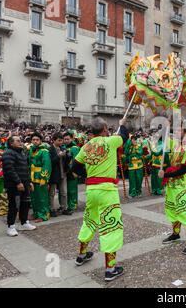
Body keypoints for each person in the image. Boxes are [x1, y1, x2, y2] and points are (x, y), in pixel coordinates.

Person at [72, 117, 128, 282]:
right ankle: (110, 269)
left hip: (92, 190)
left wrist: (89, 175)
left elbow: (74, 167)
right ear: (104, 129)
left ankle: (82, 254)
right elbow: (124, 136)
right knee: (111, 226)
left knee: (89, 220)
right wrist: (122, 125)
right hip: (107, 190)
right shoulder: (110, 141)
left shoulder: (86, 146)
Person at [158, 127, 186, 255]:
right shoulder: (176, 146)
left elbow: (183, 170)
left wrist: (165, 175)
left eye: (178, 131)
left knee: (182, 210)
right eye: (175, 131)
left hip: (180, 182)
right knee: (171, 209)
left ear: (185, 133)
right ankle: (176, 234)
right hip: (171, 183)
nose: (175, 133)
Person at [2, 135, 36, 237]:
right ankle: (11, 226)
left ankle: (24, 222)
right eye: (17, 141)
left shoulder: (21, 152)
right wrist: (18, 182)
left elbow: (25, 169)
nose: (20, 142)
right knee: (14, 205)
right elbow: (10, 170)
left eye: (20, 140)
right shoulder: (8, 153)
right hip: (14, 185)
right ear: (11, 143)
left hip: (24, 183)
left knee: (25, 203)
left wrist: (29, 182)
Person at [28, 133, 51, 222]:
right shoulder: (31, 150)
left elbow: (47, 165)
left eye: (37, 140)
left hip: (40, 176)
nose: (35, 141)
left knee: (42, 197)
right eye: (33, 140)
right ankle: (36, 213)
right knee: (34, 197)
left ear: (40, 141)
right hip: (32, 176)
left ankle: (43, 215)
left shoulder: (44, 151)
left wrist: (44, 178)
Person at [49, 133, 70, 216]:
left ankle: (64, 208)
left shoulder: (62, 148)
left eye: (62, 140)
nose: (61, 142)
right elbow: (50, 162)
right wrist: (58, 156)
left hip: (63, 173)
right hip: (54, 174)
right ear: (54, 140)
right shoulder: (50, 149)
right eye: (59, 140)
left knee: (64, 192)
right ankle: (52, 209)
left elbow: (67, 162)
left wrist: (68, 156)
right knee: (52, 193)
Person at [63, 132, 80, 213]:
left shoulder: (75, 148)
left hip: (72, 171)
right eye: (65, 139)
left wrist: (75, 171)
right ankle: (66, 204)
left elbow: (76, 161)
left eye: (67, 139)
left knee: (72, 189)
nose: (66, 141)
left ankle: (73, 204)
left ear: (72, 139)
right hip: (64, 171)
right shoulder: (63, 147)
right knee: (65, 190)